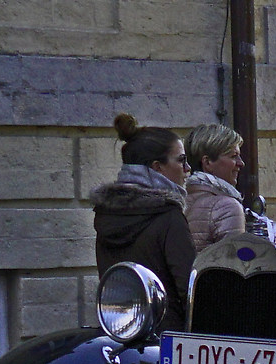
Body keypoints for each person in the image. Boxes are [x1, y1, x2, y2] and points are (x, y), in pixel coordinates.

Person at [94, 113, 194, 330]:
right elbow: (189, 291)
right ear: (157, 167)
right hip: (167, 341)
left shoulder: (105, 213)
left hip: (119, 333)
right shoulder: (168, 216)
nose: (188, 169)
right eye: (182, 160)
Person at [184, 123, 248, 251]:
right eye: (233, 156)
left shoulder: (178, 199)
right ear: (207, 162)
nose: (241, 163)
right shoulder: (227, 206)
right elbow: (235, 264)